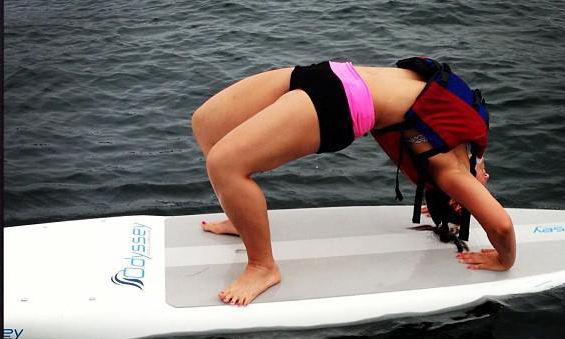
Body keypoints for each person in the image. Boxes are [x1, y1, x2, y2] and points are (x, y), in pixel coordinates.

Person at [191, 59, 516, 307]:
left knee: (225, 165)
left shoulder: (451, 172)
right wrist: (469, 176)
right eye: (485, 178)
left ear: (454, 196)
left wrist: (505, 260)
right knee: (206, 123)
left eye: (480, 189)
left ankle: (263, 267)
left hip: (340, 105)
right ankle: (241, 218)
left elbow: (500, 226)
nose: (486, 179)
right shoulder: (465, 137)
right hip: (329, 73)